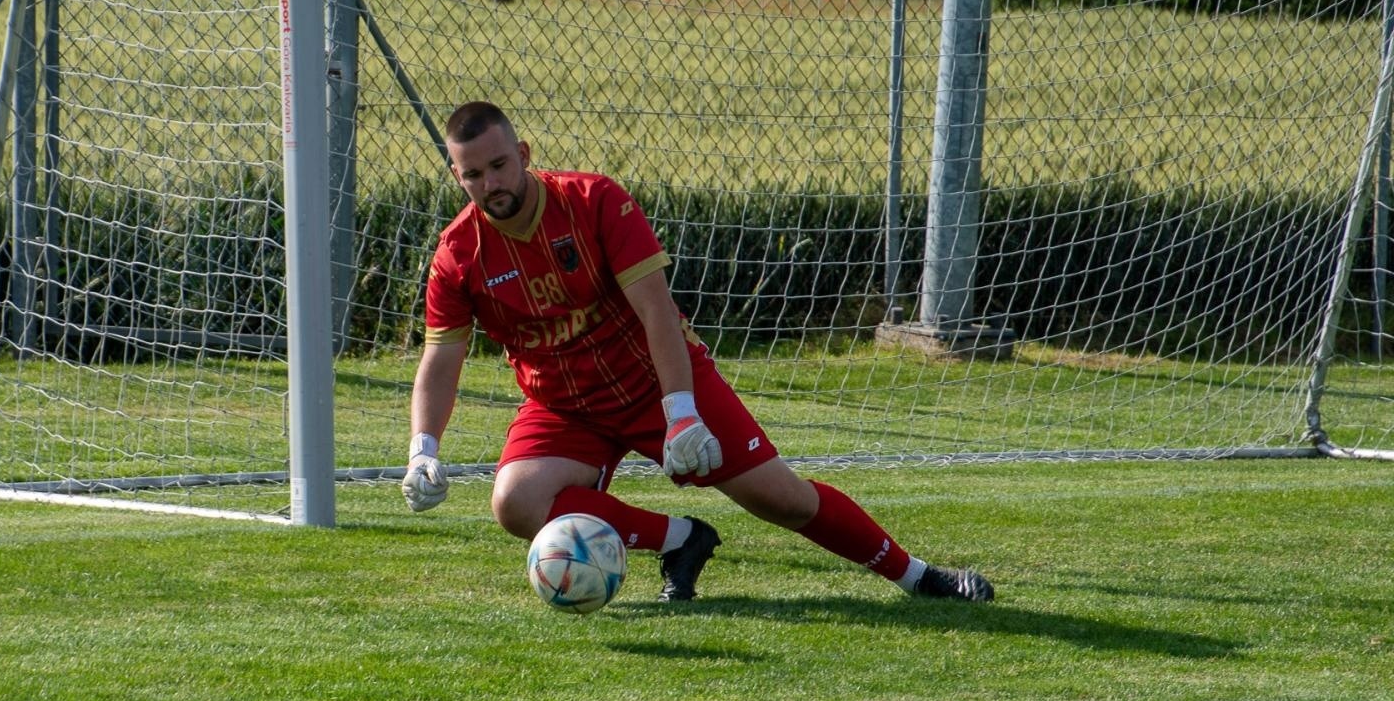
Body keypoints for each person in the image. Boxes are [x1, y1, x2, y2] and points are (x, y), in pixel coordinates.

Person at [403, 101, 994, 604]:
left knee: (783, 501)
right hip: (564, 405)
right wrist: (423, 450)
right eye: (473, 174)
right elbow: (441, 360)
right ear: (457, 176)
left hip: (656, 383)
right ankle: (681, 539)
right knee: (516, 503)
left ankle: (919, 577)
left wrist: (681, 410)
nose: (490, 185)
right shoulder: (458, 255)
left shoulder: (594, 201)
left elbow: (657, 311)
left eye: (499, 166)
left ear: (525, 155)